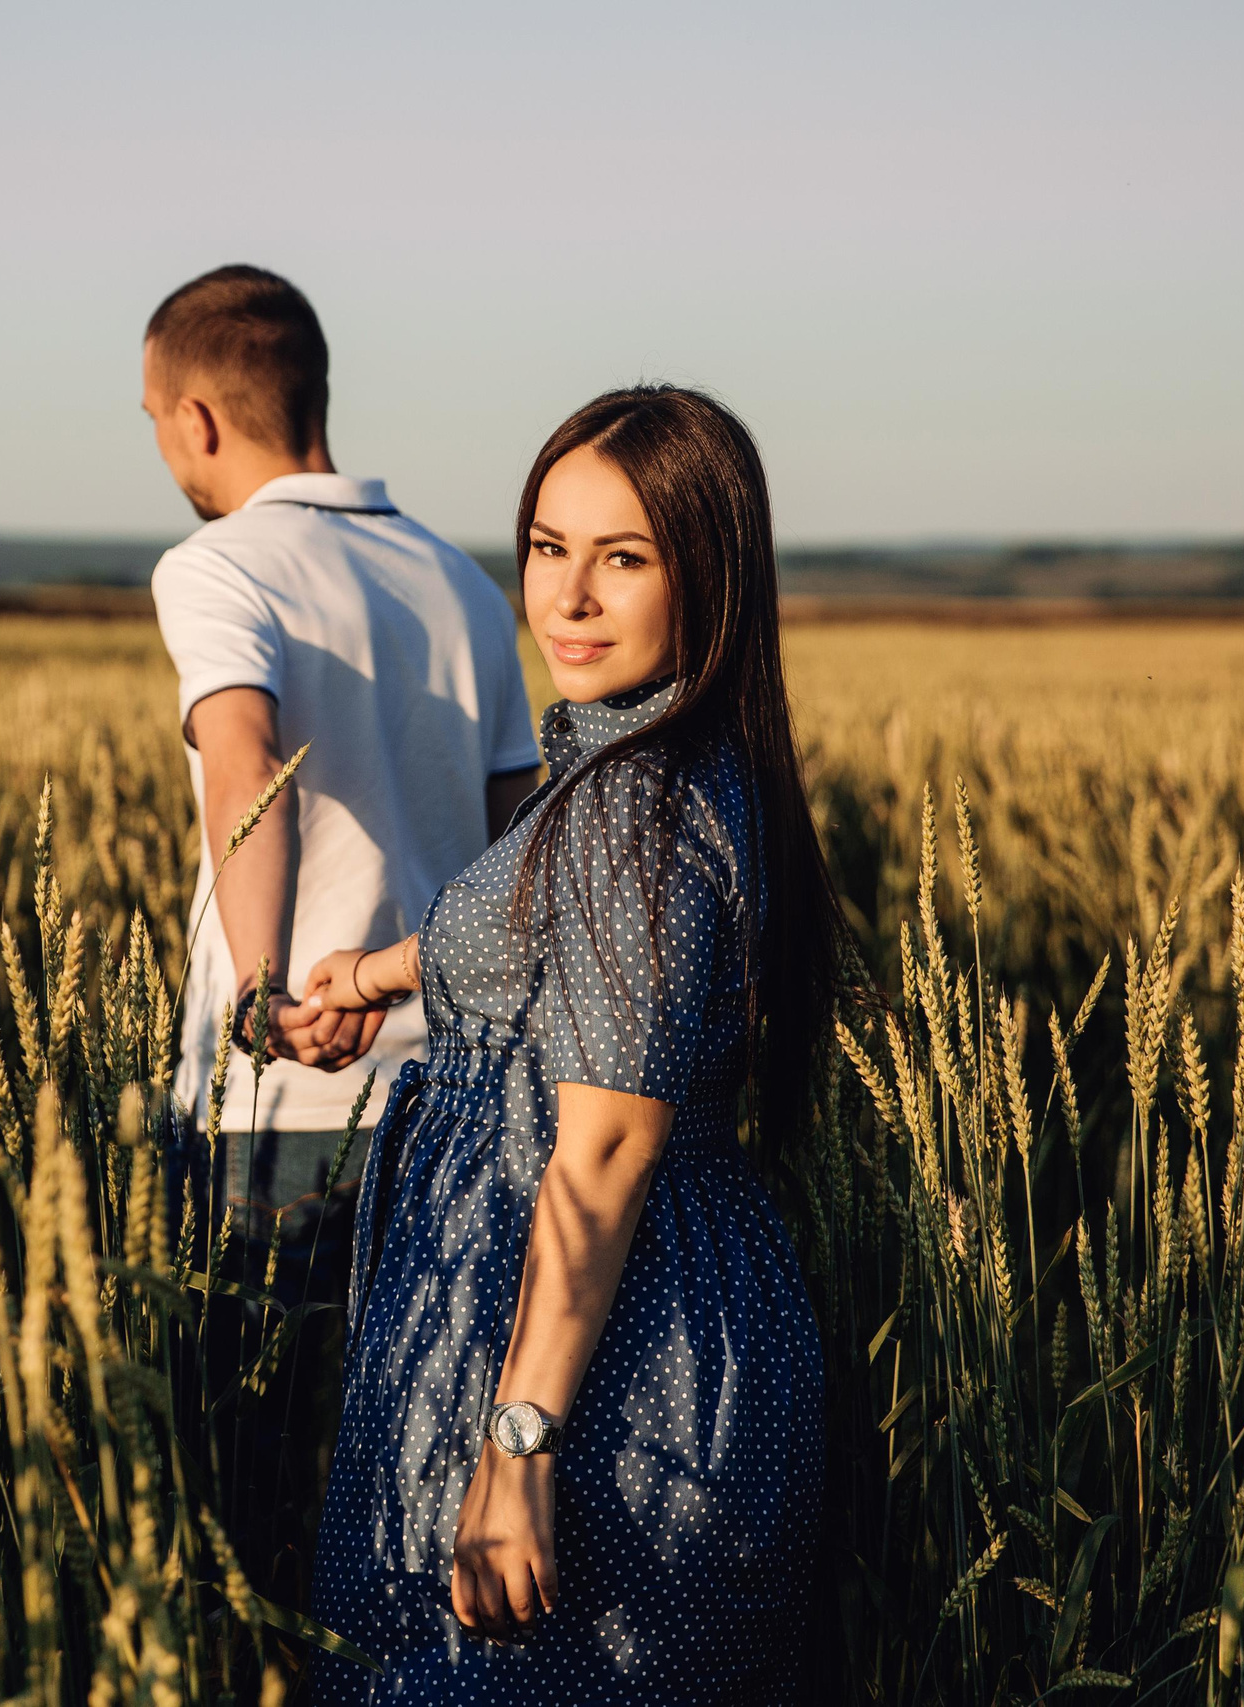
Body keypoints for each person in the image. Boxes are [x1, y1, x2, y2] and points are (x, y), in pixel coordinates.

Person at [298, 386, 844, 1703]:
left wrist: (518, 1443)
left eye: (625, 558)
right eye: (549, 548)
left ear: (705, 578)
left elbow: (602, 1147)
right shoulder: (665, 765)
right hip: (668, 1309)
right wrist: (383, 974)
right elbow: (569, 944)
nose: (570, 598)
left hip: (607, 1361)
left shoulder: (631, 813)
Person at [139, 263, 543, 1600]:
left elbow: (243, 751)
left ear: (197, 417)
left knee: (250, 1492)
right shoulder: (467, 587)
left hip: (284, 1112)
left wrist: (262, 996)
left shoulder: (216, 567)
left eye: (154, 423)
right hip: (458, 1108)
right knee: (406, 1496)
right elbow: (521, 855)